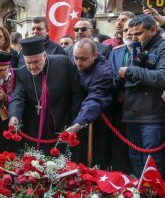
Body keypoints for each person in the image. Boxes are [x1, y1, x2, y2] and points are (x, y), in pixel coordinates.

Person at [8, 37, 83, 155]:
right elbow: (17, 97)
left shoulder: (63, 63)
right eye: (28, 62)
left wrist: (75, 122)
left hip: (63, 123)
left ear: (44, 55)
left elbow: (76, 95)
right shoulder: (22, 73)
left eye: (36, 62)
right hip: (37, 128)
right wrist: (14, 116)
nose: (32, 67)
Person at [118, 14, 165, 177]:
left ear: (153, 30)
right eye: (131, 35)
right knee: (135, 159)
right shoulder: (136, 47)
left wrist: (130, 71)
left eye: (138, 34)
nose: (134, 39)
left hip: (153, 116)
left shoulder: (162, 47)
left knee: (152, 162)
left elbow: (161, 77)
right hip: (132, 112)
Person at [68, 38, 113, 169]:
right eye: (75, 57)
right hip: (77, 117)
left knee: (95, 160)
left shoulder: (103, 73)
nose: (78, 62)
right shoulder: (74, 62)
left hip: (96, 120)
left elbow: (95, 99)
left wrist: (79, 122)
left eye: (83, 59)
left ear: (95, 55)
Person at [106, 19, 133, 173]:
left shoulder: (146, 51)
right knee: (118, 145)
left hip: (140, 107)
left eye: (131, 29)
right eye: (125, 30)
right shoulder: (115, 51)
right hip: (118, 105)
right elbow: (110, 75)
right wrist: (119, 88)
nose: (127, 33)